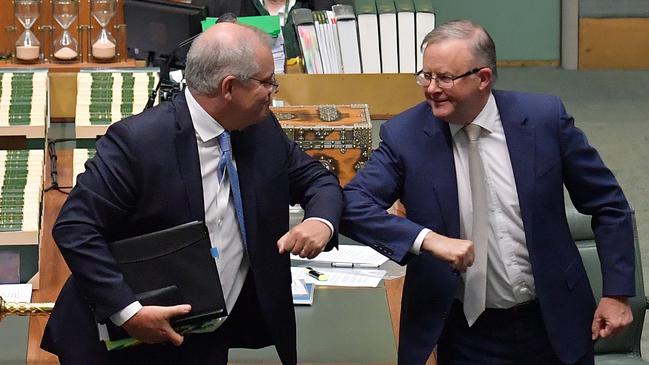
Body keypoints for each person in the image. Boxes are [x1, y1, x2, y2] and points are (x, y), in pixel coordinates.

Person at [41, 22, 343, 365]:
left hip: (204, 339)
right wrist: (129, 312)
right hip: (121, 342)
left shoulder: (260, 130)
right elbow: (75, 227)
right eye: (266, 82)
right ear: (229, 87)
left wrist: (321, 221)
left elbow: (317, 180)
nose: (273, 90)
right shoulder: (139, 143)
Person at [340, 20, 634, 365]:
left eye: (445, 78)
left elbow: (609, 205)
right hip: (462, 331)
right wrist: (426, 239)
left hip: (554, 321)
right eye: (425, 75)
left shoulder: (543, 120)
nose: (431, 88)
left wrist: (617, 293)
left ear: (483, 78)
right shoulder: (405, 136)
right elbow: (353, 206)